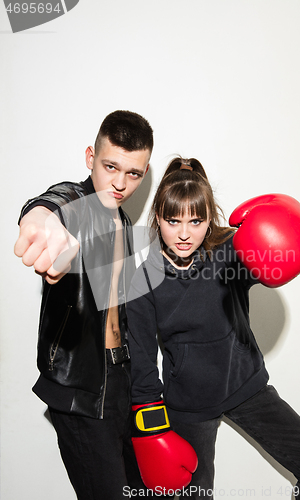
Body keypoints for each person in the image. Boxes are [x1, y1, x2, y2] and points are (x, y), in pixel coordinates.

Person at [126, 157, 300, 500]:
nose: (183, 233)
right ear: (158, 217)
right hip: (189, 405)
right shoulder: (143, 281)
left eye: (196, 221)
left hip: (246, 386)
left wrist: (282, 242)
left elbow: (269, 268)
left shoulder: (229, 252)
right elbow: (144, 364)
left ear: (209, 219)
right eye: (172, 220)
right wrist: (151, 432)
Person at [14, 110, 159, 499]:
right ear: (89, 157)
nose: (120, 183)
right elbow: (50, 204)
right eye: (110, 166)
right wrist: (41, 220)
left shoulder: (126, 224)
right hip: (79, 386)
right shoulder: (76, 204)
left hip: (119, 381)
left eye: (134, 174)